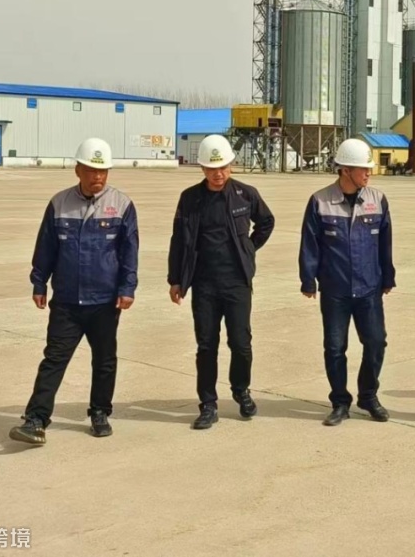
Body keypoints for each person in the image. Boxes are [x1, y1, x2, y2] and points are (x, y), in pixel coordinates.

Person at [9, 138, 139, 445]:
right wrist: (39, 282)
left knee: (105, 360)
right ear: (78, 169)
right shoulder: (59, 203)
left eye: (103, 171)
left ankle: (100, 412)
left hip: (105, 301)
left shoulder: (122, 205)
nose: (98, 177)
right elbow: (46, 247)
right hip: (67, 301)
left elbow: (129, 251)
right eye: (92, 170)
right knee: (54, 359)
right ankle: (36, 419)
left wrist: (127, 287)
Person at [167, 134, 275, 430]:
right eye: (212, 169)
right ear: (202, 168)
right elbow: (179, 239)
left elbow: (266, 222)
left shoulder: (245, 194)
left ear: (231, 165)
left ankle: (241, 391)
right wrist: (175, 279)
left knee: (241, 343)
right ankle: (208, 404)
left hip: (237, 282)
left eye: (223, 167)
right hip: (204, 285)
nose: (218, 174)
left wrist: (249, 248)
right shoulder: (190, 198)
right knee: (206, 345)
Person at [299, 137, 395, 426]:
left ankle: (368, 395)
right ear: (345, 170)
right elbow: (310, 244)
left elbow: (385, 244)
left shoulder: (378, 200)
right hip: (335, 290)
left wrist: (388, 277)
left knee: (376, 342)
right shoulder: (320, 200)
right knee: (334, 347)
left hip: (369, 288)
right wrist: (308, 279)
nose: (369, 173)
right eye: (363, 168)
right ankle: (340, 401)